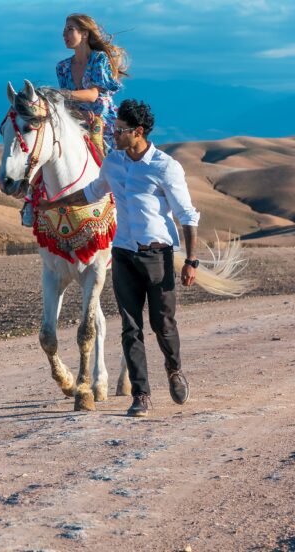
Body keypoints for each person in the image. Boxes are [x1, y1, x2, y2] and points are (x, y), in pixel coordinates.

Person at [54, 99, 199, 417]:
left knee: (162, 323)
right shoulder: (113, 163)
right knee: (130, 327)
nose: (113, 134)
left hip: (157, 256)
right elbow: (93, 192)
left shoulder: (165, 166)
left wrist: (191, 260)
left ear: (139, 132)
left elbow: (187, 214)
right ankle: (142, 395)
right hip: (122, 254)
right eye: (113, 129)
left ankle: (174, 370)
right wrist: (54, 203)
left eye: (118, 130)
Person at [56, 13, 128, 155]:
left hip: (102, 121)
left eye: (70, 29)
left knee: (113, 161)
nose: (64, 34)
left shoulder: (99, 59)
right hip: (76, 119)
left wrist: (61, 93)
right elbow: (66, 103)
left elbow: (92, 95)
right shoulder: (62, 67)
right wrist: (79, 114)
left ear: (84, 34)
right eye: (64, 30)